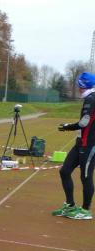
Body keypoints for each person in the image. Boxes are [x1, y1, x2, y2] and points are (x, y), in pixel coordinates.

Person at [53, 72, 95, 220]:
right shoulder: (89, 98)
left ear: (84, 85)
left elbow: (84, 123)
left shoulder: (91, 99)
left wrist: (67, 126)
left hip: (90, 145)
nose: (78, 88)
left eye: (80, 85)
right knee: (65, 171)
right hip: (81, 143)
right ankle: (70, 205)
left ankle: (85, 210)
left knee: (86, 176)